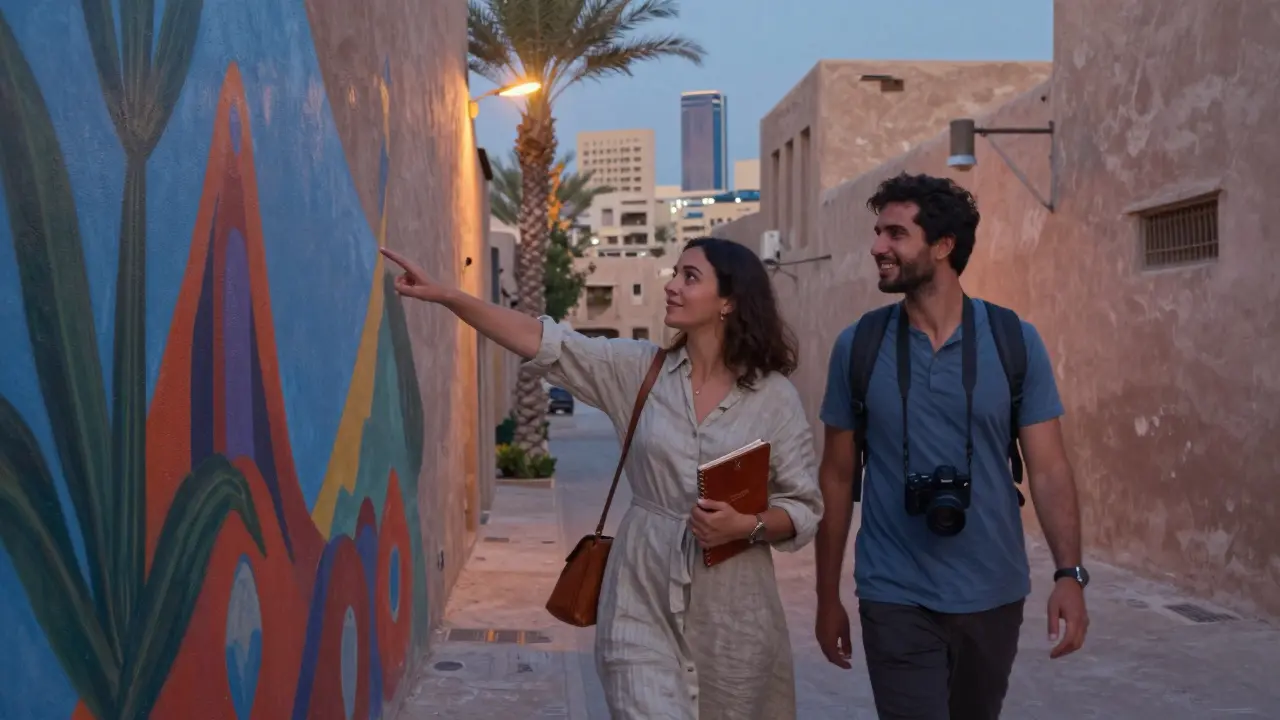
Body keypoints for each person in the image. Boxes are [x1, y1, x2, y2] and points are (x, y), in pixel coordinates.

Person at [381, 236, 823, 720]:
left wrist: (747, 526)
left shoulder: (774, 398)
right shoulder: (638, 370)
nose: (671, 286)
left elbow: (802, 507)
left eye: (689, 277)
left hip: (735, 611)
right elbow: (544, 341)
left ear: (729, 301)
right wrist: (448, 296)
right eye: (674, 273)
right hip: (640, 591)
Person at [813, 173, 1089, 719]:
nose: (877, 248)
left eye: (895, 234)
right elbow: (838, 477)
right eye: (877, 232)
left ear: (943, 247)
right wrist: (827, 597)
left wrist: (1069, 575)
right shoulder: (859, 347)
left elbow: (1050, 469)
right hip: (894, 589)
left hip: (994, 588)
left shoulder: (1014, 341)